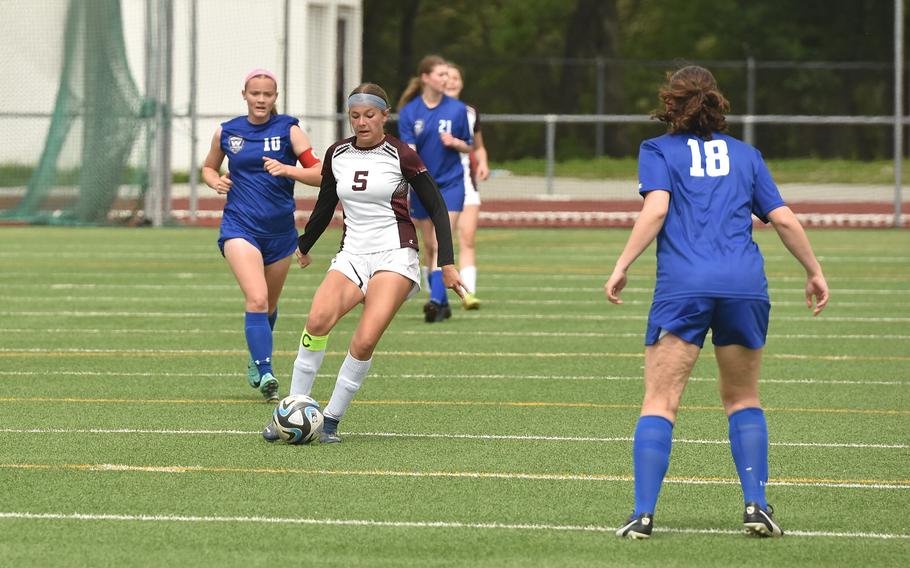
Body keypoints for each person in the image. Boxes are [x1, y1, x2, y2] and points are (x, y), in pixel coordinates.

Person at [604, 65, 829, 539]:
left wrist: (622, 263)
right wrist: (814, 270)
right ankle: (757, 507)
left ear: (671, 103)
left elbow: (657, 207)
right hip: (744, 285)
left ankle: (643, 515)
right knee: (743, 398)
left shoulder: (657, 150)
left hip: (684, 285)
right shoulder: (747, 155)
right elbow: (783, 219)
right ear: (717, 103)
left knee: (660, 401)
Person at [262, 83, 466, 443]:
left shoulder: (402, 154)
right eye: (355, 116)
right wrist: (304, 244)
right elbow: (325, 204)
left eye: (369, 115)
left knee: (364, 340)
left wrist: (446, 263)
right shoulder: (337, 153)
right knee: (316, 322)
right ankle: (289, 411)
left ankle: (331, 420)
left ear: (385, 116)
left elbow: (435, 206)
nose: (361, 122)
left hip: (396, 256)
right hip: (352, 255)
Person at [202, 69, 322, 402]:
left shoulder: (290, 130)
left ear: (275, 97)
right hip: (240, 226)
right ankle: (266, 370)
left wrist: (288, 169)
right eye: (255, 93)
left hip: (281, 232)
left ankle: (256, 359)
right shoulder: (228, 132)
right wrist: (214, 181)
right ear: (245, 94)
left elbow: (319, 173)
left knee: (268, 303)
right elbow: (209, 167)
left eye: (267, 94)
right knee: (256, 298)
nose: (261, 99)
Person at [397, 55, 474, 322]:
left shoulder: (457, 109)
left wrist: (455, 142)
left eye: (447, 74)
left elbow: (469, 145)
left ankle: (435, 300)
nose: (446, 79)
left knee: (443, 241)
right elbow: (409, 150)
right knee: (429, 246)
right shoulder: (410, 112)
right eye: (440, 74)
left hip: (451, 183)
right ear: (426, 78)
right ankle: (442, 303)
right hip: (422, 185)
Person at [445, 62, 490, 310]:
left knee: (467, 238)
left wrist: (483, 163)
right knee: (436, 243)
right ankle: (437, 294)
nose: (451, 82)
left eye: (455, 78)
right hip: (437, 184)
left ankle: (468, 293)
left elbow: (479, 146)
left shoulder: (470, 112)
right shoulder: (426, 111)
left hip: (465, 183)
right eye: (446, 77)